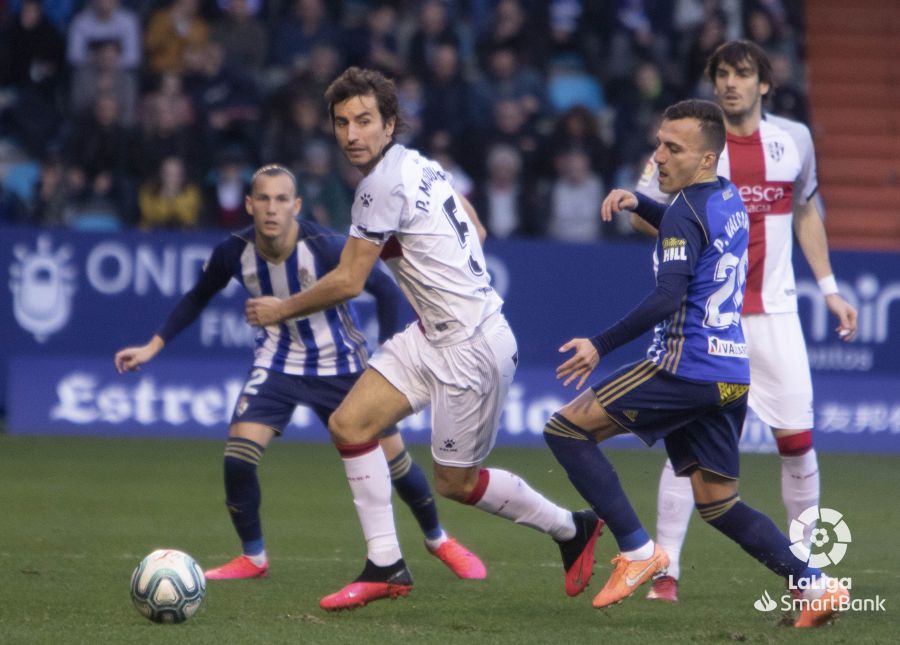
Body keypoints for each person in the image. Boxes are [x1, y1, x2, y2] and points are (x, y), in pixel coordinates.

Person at [244, 67, 602, 611]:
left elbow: (349, 281)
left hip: (471, 347)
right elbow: (475, 229)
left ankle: (572, 528)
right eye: (342, 123)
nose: (351, 134)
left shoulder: (379, 186)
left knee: (456, 483)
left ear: (389, 124)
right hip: (435, 334)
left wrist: (279, 309)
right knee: (349, 423)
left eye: (365, 121)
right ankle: (385, 565)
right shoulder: (422, 166)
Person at [545, 98, 848, 628]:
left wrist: (600, 342)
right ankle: (815, 584)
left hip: (684, 365)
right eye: (659, 142)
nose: (658, 155)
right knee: (718, 503)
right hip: (730, 373)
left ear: (705, 159)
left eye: (673, 147)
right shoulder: (724, 197)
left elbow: (666, 298)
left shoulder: (688, 210)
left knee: (565, 431)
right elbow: (690, 229)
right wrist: (641, 204)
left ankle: (639, 552)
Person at [115, 164, 485, 583]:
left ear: (296, 205)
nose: (272, 209)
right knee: (238, 457)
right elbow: (197, 297)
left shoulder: (326, 246)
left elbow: (383, 288)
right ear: (250, 205)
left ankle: (438, 540)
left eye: (281, 200)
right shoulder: (232, 252)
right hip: (277, 362)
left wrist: (386, 352)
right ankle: (253, 557)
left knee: (395, 461)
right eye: (264, 200)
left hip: (343, 363)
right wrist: (152, 346)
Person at [635, 40, 858, 603]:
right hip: (708, 319)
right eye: (723, 74)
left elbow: (806, 209)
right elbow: (646, 209)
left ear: (764, 83)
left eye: (743, 73)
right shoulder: (691, 145)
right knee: (689, 448)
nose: (731, 83)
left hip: (776, 314)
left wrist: (829, 288)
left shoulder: (794, 141)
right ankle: (666, 572)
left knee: (798, 443)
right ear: (713, 84)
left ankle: (806, 571)